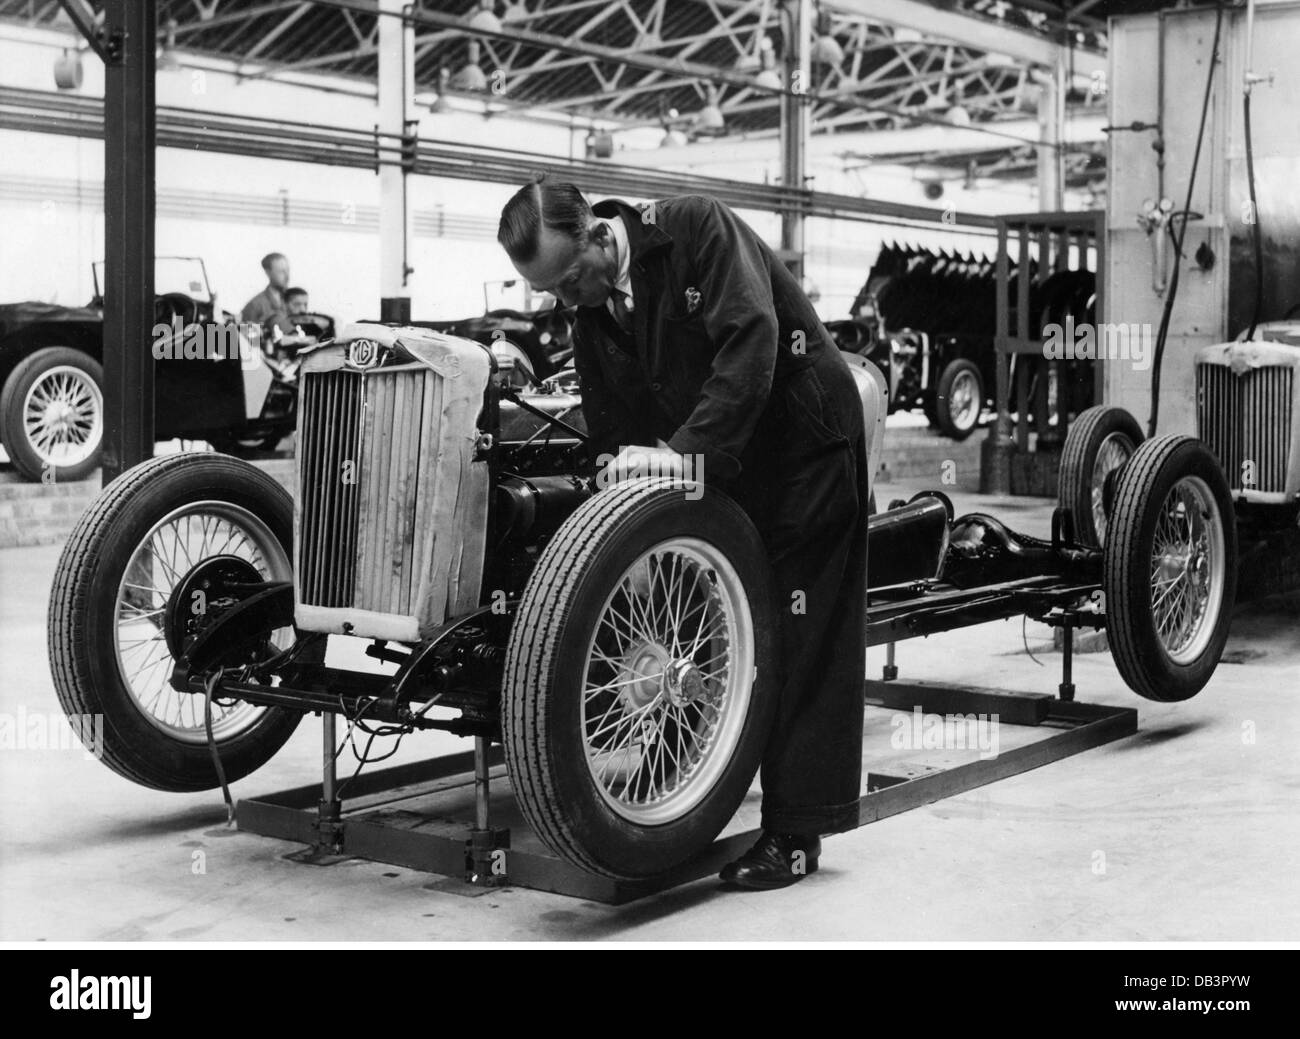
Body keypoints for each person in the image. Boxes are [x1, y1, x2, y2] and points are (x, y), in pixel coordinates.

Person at [497, 177, 870, 891]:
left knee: (799, 624)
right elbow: (613, 417)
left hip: (802, 444)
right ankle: (679, 780)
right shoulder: (593, 302)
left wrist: (685, 454)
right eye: (554, 291)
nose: (568, 297)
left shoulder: (697, 229)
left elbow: (751, 339)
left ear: (600, 233)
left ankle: (796, 831)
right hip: (723, 459)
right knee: (700, 612)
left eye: (571, 276)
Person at [240, 252, 293, 331]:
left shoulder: (293, 300)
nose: (287, 276)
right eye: (281, 271)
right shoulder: (255, 305)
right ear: (268, 273)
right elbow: (249, 340)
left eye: (287, 270)